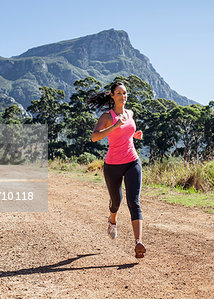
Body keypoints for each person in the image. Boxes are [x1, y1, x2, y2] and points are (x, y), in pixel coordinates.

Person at [88, 82, 146, 258]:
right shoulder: (107, 116)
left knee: (134, 202)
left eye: (125, 93)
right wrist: (114, 126)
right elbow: (94, 137)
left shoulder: (130, 113)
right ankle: (112, 220)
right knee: (116, 201)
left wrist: (134, 134)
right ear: (112, 96)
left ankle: (138, 242)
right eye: (119, 93)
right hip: (112, 166)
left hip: (132, 162)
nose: (123, 96)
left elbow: (127, 132)